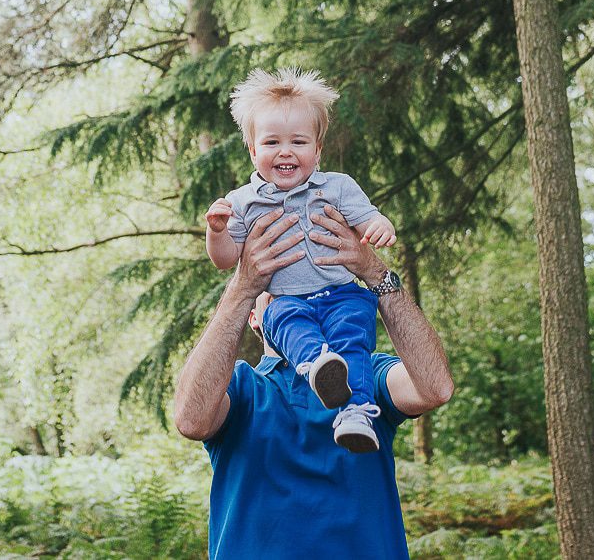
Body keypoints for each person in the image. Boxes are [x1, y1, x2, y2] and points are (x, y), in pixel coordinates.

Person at [174, 204, 453, 560]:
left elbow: (435, 387)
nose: (301, 291)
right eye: (283, 281)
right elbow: (190, 419)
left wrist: (374, 271)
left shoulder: (368, 376)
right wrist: (242, 288)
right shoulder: (242, 389)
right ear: (256, 316)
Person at [204, 68, 398, 451]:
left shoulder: (338, 187)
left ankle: (355, 412)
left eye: (298, 141)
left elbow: (367, 217)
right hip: (288, 300)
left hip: (339, 292)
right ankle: (316, 366)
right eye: (272, 142)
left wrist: (380, 225)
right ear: (253, 151)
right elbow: (226, 260)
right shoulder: (244, 201)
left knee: (354, 333)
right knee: (280, 319)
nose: (286, 151)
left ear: (318, 150)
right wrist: (217, 231)